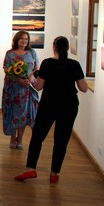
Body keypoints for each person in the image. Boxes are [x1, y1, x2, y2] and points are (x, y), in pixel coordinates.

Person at [14, 36, 88, 183]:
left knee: (38, 136)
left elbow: (38, 87)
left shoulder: (47, 63)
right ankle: (54, 173)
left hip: (49, 104)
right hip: (69, 105)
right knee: (62, 139)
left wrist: (33, 78)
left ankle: (30, 169)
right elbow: (84, 88)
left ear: (54, 47)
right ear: (67, 48)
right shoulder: (74, 65)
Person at [1, 30, 40, 149]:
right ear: (17, 39)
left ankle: (20, 139)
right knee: (13, 113)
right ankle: (13, 138)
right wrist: (19, 80)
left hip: (27, 88)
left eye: (26, 39)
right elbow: (6, 69)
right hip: (12, 88)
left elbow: (36, 68)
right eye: (22, 38)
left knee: (24, 114)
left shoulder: (32, 52)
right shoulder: (9, 53)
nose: (24, 41)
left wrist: (31, 77)